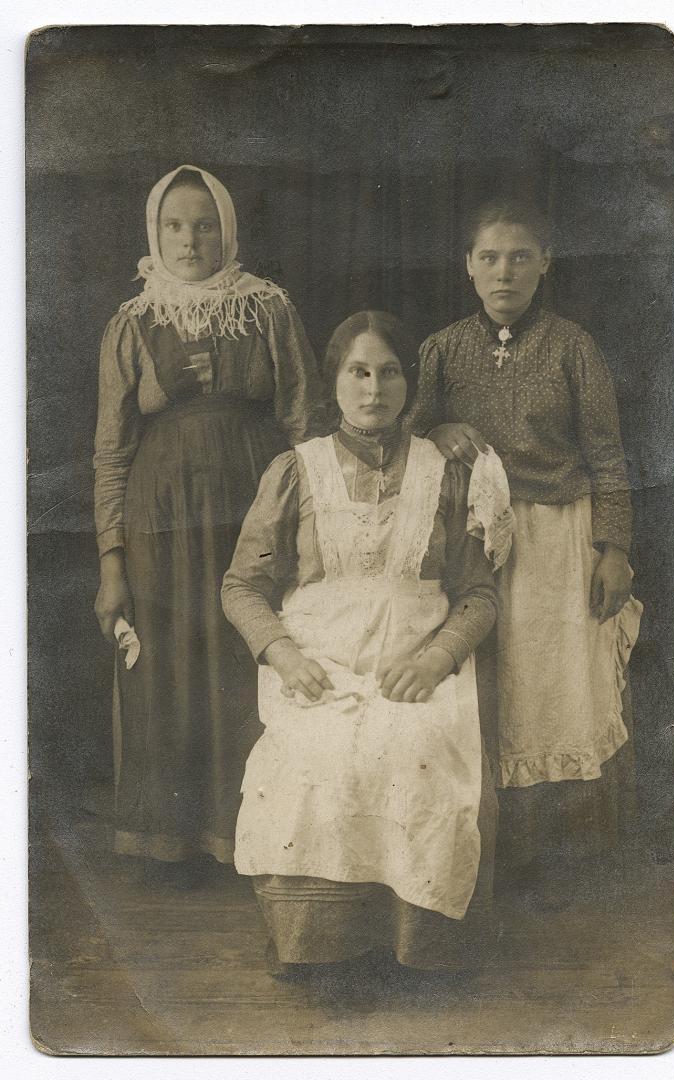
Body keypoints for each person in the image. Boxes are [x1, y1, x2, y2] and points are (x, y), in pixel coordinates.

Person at [221, 311, 499, 974]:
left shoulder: (445, 473)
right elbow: (240, 586)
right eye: (358, 372)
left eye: (389, 372)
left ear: (409, 385)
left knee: (415, 753)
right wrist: (284, 655)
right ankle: (317, 951)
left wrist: (436, 657)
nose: (373, 388)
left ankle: (414, 953)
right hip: (316, 666)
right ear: (335, 382)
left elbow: (479, 594)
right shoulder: (294, 471)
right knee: (316, 762)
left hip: (417, 668)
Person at [406, 198, 643, 903]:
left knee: (553, 688)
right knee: (490, 683)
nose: (502, 271)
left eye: (518, 257)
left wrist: (614, 549)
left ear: (544, 264)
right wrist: (441, 426)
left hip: (555, 538)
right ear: (468, 268)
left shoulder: (573, 346)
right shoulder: (442, 349)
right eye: (488, 258)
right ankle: (490, 849)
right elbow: (401, 436)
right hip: (474, 543)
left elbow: (604, 453)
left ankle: (561, 856)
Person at [93, 165, 325, 882]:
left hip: (256, 511)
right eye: (174, 225)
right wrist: (112, 562)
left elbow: (303, 420)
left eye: (203, 224)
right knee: (168, 668)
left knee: (245, 661)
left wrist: (310, 525)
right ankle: (171, 847)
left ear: (226, 229)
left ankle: (250, 839)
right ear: (154, 233)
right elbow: (110, 450)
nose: (189, 239)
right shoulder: (131, 323)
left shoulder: (269, 310)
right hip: (159, 523)